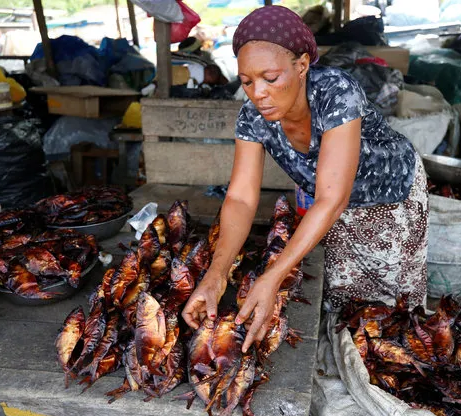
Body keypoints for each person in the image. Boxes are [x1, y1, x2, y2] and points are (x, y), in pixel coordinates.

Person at [182, 5, 428, 354]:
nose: (258, 93)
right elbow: (240, 197)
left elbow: (331, 199)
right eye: (247, 81)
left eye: (270, 78)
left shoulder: (335, 92)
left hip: (389, 197)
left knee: (390, 311)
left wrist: (271, 277)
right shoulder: (254, 115)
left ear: (301, 66)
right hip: (333, 205)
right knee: (342, 304)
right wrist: (216, 275)